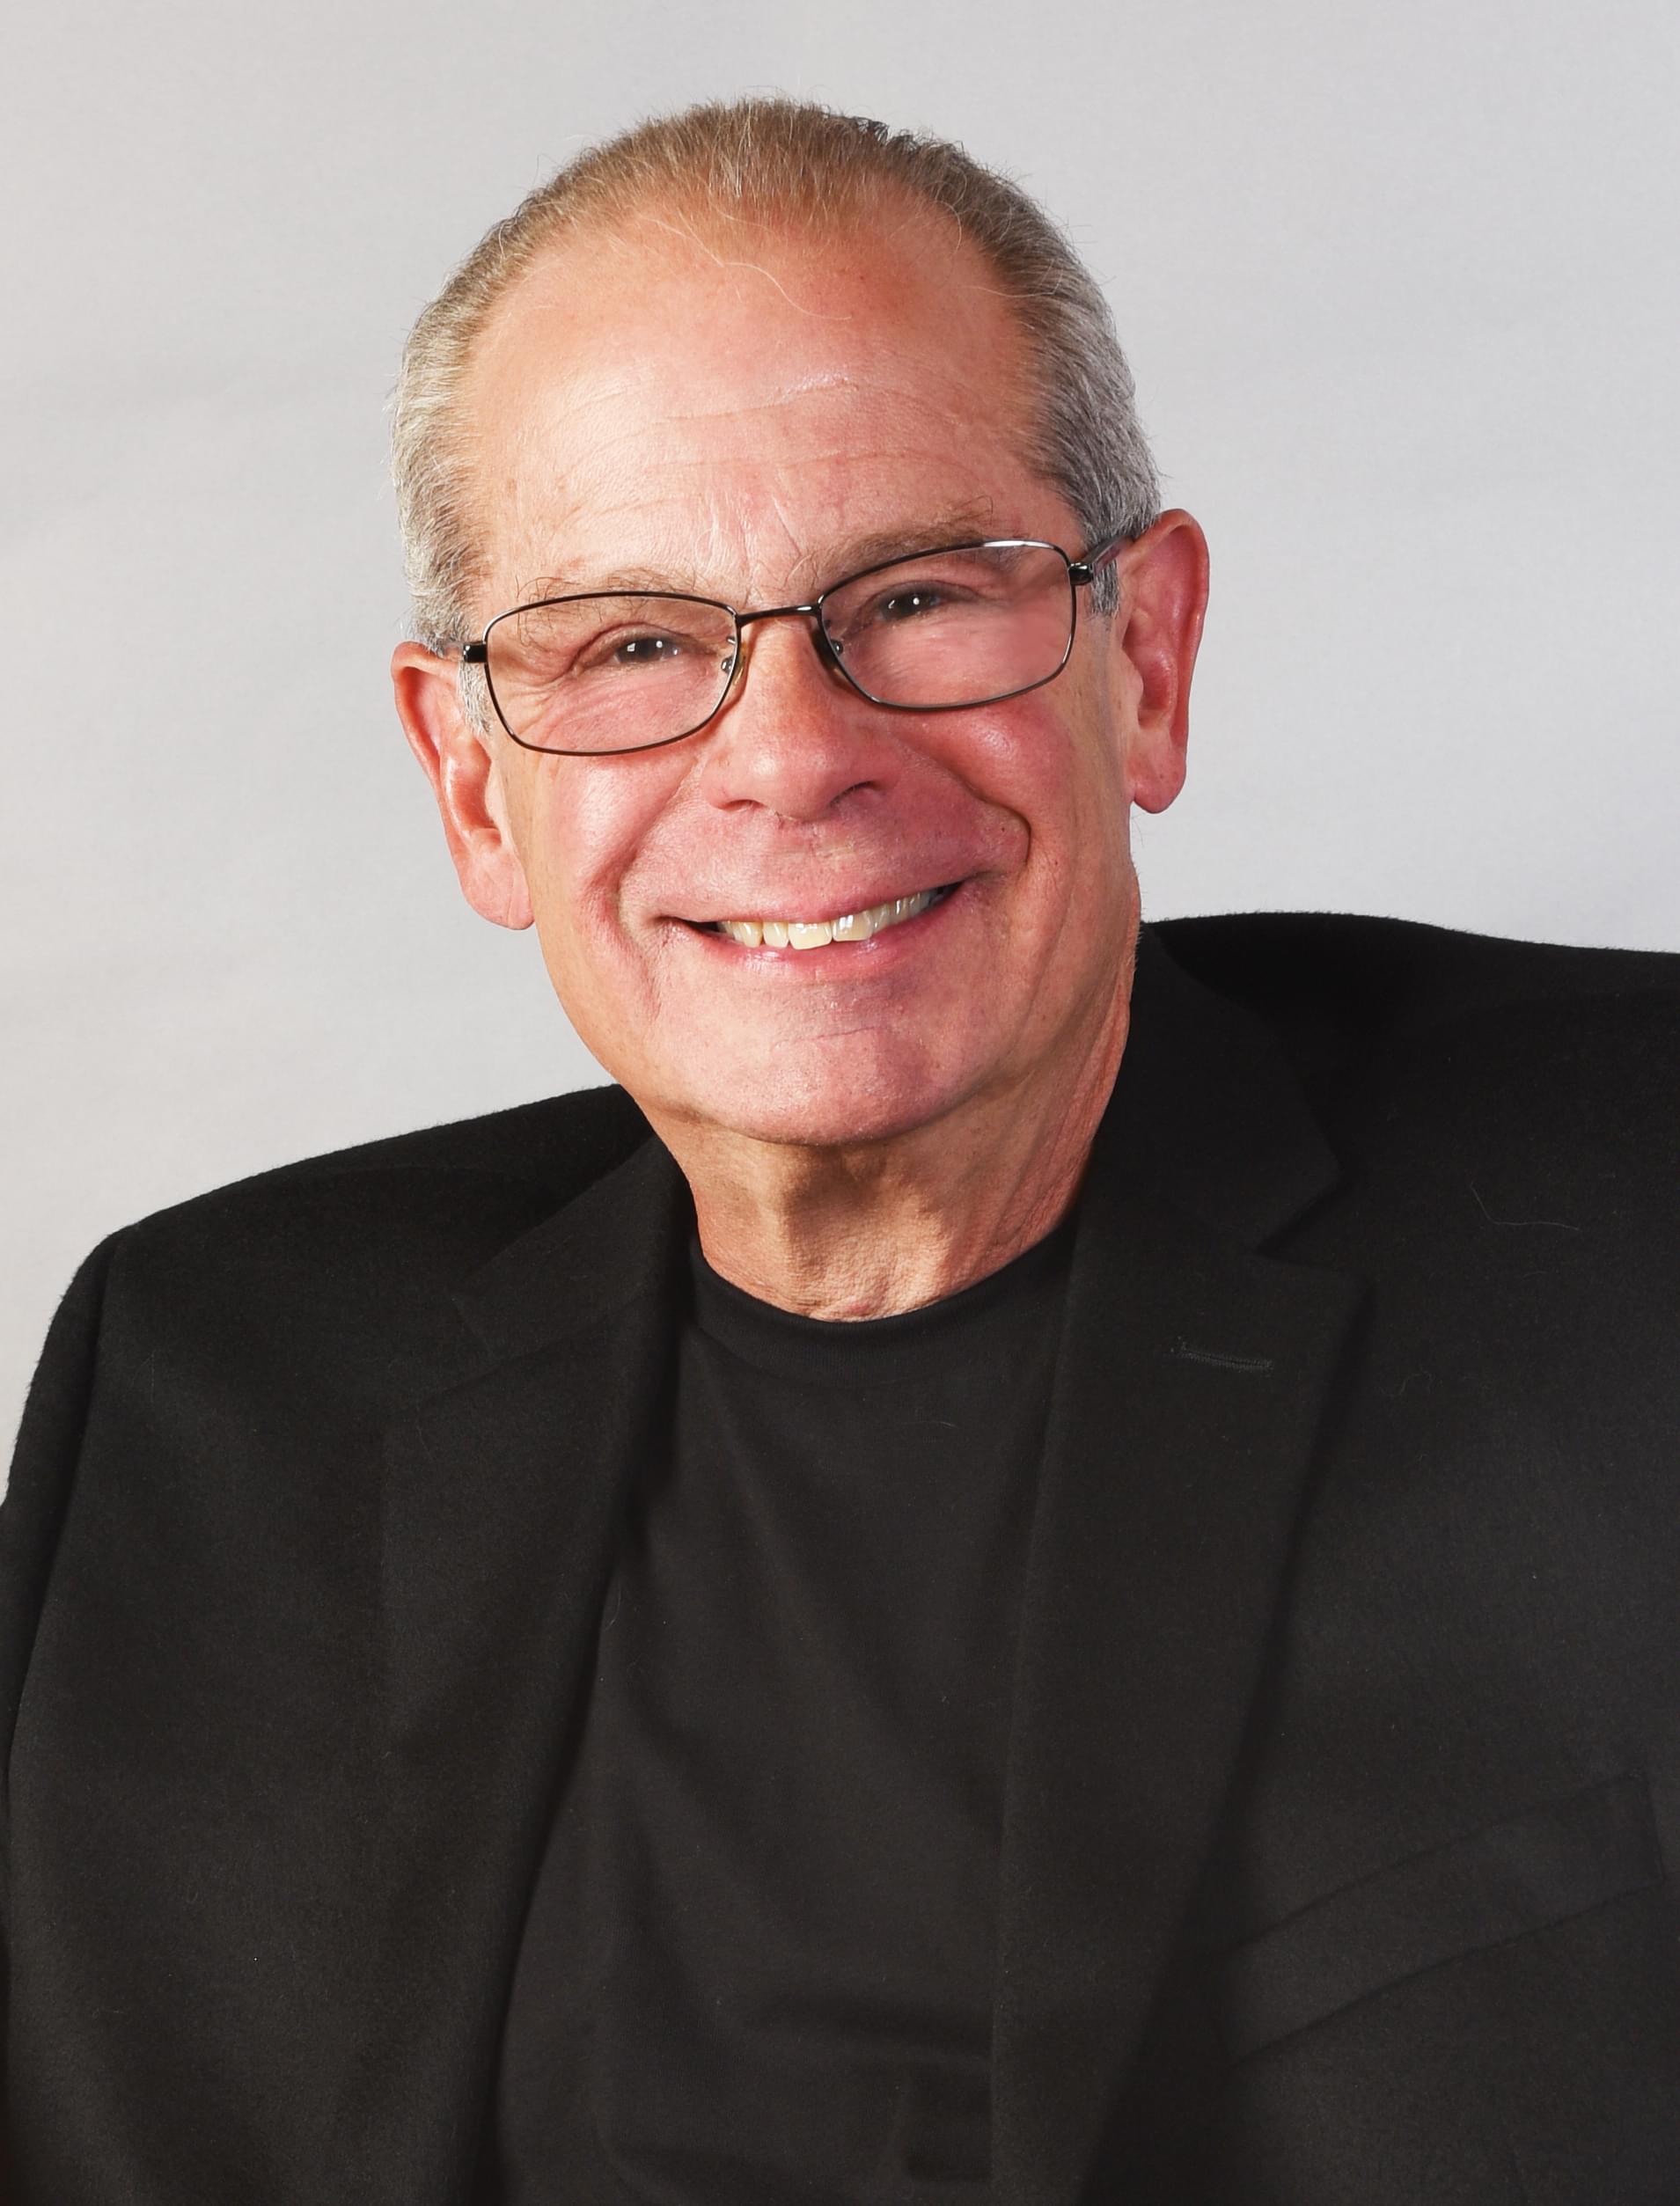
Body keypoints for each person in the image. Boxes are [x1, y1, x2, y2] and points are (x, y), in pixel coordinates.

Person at [3, 96, 1676, 2206]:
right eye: (630, 642)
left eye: (917, 596)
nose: (791, 759)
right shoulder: (210, 1384)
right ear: (472, 785)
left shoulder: (1635, 1212)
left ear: (1146, 658)